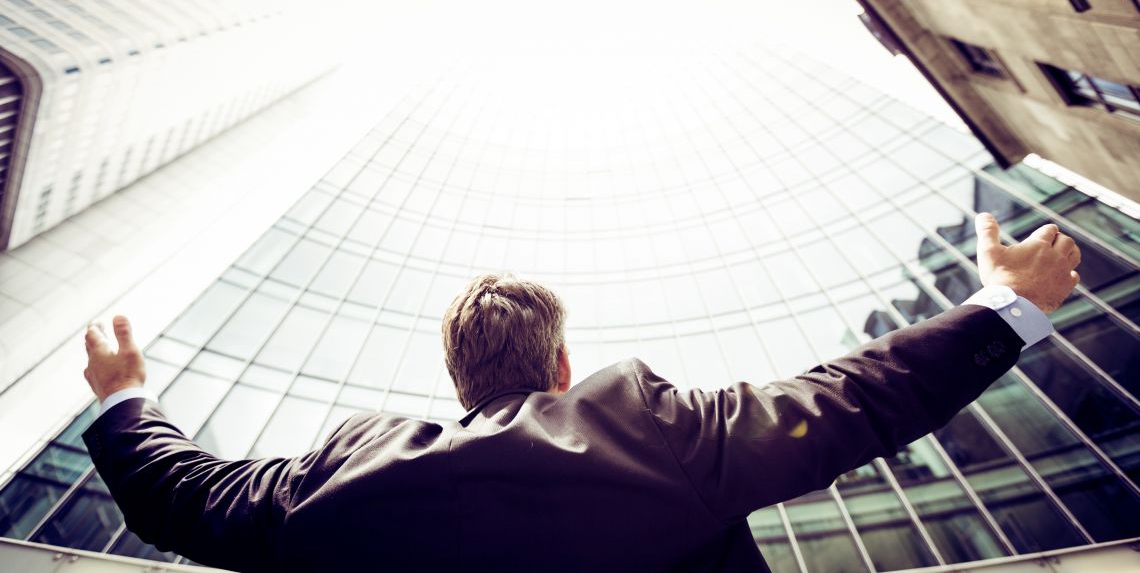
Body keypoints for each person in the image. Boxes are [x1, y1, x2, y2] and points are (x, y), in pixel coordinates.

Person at [81, 213, 1080, 572]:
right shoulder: (647, 430)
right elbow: (855, 396)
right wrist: (1005, 306)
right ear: (561, 367)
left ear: (460, 384)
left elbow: (181, 496)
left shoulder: (339, 484)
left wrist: (126, 397)